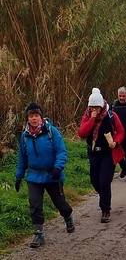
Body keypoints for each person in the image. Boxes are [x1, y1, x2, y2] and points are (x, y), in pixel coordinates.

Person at [15, 103, 75, 248]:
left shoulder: (51, 131)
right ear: (28, 118)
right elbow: (22, 158)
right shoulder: (25, 136)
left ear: (41, 117)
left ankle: (67, 216)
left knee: (60, 203)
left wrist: (57, 168)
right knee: (35, 204)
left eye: (36, 115)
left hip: (52, 175)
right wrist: (19, 176)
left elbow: (61, 151)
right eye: (31, 116)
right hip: (34, 176)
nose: (34, 118)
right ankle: (38, 234)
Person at [78, 88, 125, 223]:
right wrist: (92, 120)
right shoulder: (87, 116)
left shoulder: (111, 115)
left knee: (104, 181)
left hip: (107, 152)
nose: (95, 109)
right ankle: (104, 196)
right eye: (92, 107)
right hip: (93, 152)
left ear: (102, 105)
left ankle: (105, 210)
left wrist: (115, 142)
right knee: (95, 181)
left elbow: (121, 131)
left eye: (97, 107)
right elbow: (82, 133)